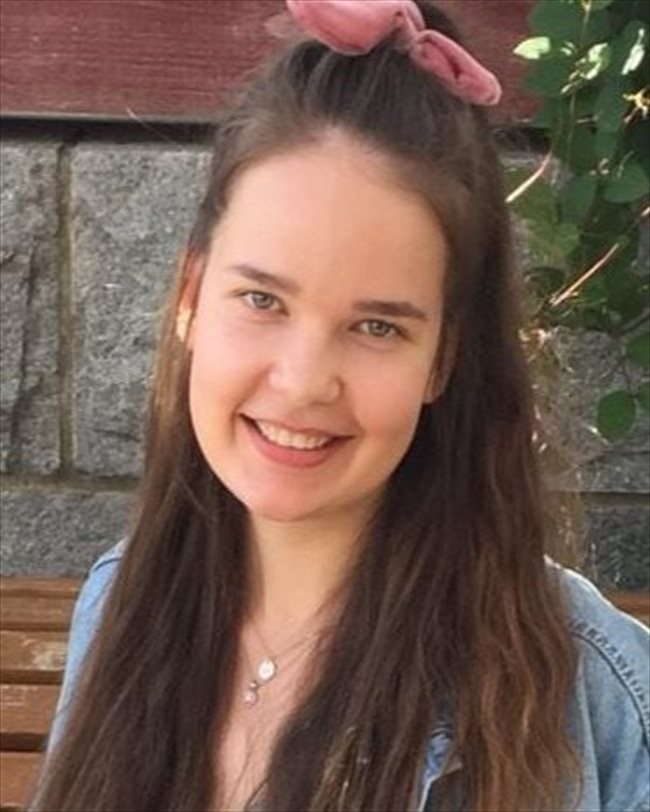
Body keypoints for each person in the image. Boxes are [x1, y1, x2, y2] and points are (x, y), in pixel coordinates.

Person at [28, 2, 649, 811]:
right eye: (262, 300)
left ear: (443, 357)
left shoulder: (582, 685)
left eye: (377, 327)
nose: (302, 382)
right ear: (190, 297)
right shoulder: (122, 604)